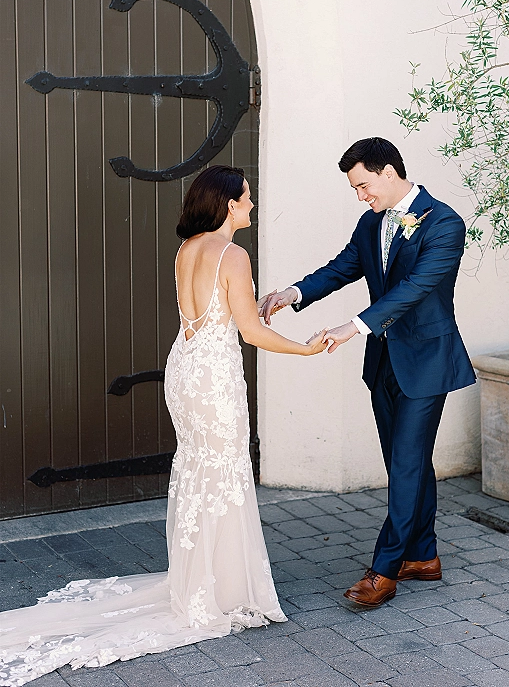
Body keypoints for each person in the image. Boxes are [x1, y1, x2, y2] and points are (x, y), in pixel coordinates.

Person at [0, 165, 327, 686]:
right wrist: (306, 347)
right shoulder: (234, 254)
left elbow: (215, 315)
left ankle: (200, 581)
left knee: (199, 467)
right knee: (222, 472)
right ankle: (222, 591)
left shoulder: (188, 248)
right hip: (215, 376)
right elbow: (250, 333)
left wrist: (256, 312)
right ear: (225, 204)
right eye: (245, 199)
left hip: (186, 366)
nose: (251, 206)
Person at [259, 137, 475, 608]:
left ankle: (384, 569)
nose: (360, 196)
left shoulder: (444, 223)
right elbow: (343, 267)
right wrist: (293, 293)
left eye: (362, 186)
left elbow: (416, 288)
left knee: (406, 462)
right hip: (384, 362)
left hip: (426, 360)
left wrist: (353, 326)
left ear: (389, 172)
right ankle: (424, 555)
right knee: (406, 461)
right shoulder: (371, 222)